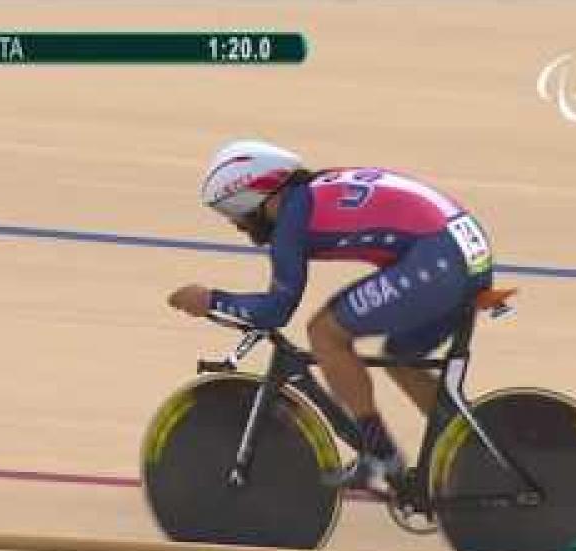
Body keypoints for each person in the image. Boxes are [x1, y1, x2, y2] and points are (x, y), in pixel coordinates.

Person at [167, 139, 495, 493]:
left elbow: (277, 310)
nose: (235, 224)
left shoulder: (292, 219)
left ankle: (381, 456)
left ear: (254, 196)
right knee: (402, 359)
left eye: (231, 210)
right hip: (461, 248)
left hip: (440, 258)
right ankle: (475, 455)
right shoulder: (315, 189)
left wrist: (211, 300)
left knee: (325, 333)